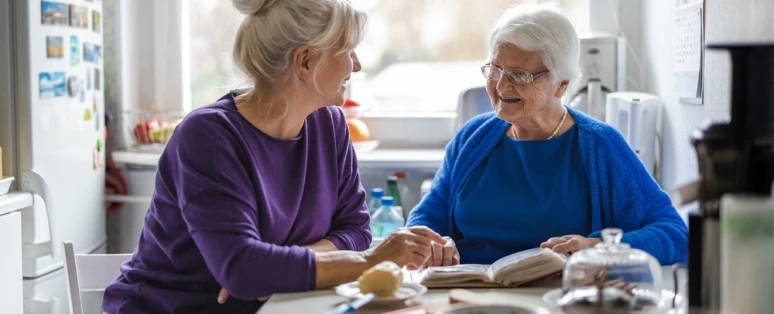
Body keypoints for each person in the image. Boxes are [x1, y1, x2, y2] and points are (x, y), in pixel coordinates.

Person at [102, 1, 450, 313]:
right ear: (305, 61)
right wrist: (370, 261)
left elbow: (355, 229)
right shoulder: (209, 137)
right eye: (347, 50)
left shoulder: (329, 125)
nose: (356, 65)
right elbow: (244, 269)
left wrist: (271, 270)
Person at [407, 4, 687, 266]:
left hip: (557, 294)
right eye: (495, 69)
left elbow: (674, 233)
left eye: (518, 75)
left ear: (561, 84)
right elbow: (425, 218)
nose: (501, 86)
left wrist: (597, 248)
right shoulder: (472, 138)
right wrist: (433, 244)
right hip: (468, 291)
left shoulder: (601, 145)